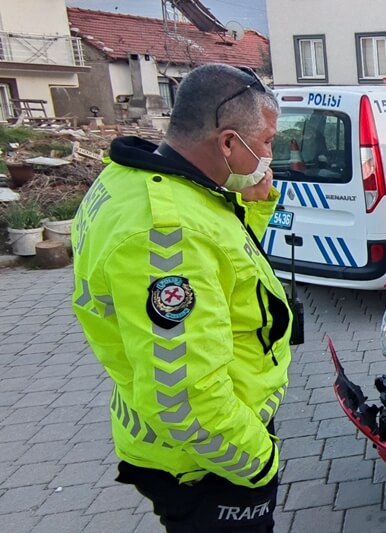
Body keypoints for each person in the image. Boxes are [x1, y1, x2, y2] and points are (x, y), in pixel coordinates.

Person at [71, 64, 293, 532]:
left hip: (186, 443)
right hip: (207, 462)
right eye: (267, 142)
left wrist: (252, 202)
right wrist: (259, 462)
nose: (270, 154)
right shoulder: (168, 235)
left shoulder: (143, 182)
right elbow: (185, 401)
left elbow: (225, 267)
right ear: (229, 143)